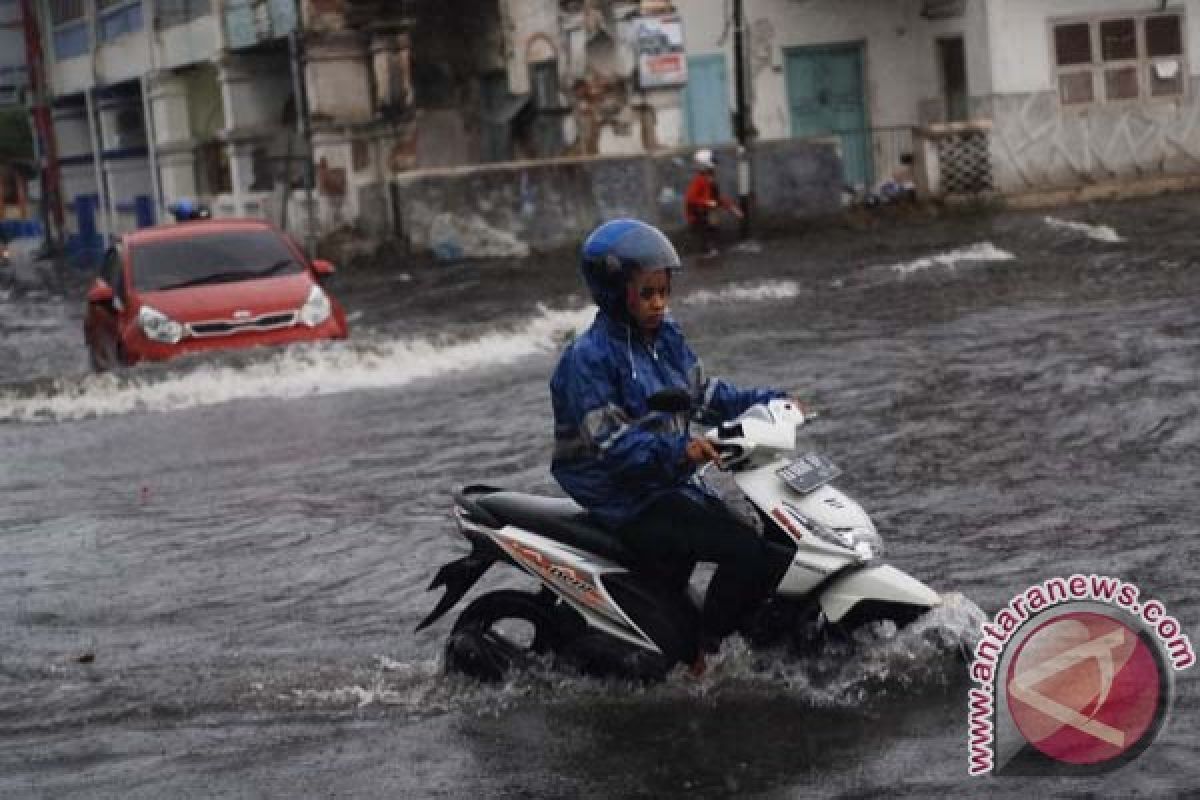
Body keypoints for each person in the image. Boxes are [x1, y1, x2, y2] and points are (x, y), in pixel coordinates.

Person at [550, 218, 795, 668]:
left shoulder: (664, 337)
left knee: (770, 535)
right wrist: (680, 450)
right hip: (625, 498)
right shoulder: (588, 359)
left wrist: (772, 401)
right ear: (614, 292)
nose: (659, 304)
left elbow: (707, 395)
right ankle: (707, 655)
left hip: (666, 482)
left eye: (664, 292)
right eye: (647, 294)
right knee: (744, 547)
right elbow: (612, 447)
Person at [683, 149, 742, 257]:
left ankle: (711, 252)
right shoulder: (700, 180)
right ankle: (708, 253)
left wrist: (731, 208)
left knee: (712, 231)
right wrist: (707, 202)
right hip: (699, 215)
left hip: (706, 213)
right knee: (706, 234)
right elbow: (690, 199)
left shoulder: (710, 179)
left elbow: (717, 198)